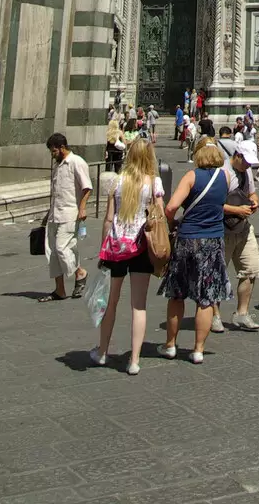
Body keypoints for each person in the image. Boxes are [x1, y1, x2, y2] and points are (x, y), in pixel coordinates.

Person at [159, 138, 241, 362]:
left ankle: (170, 345)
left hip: (188, 240)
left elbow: (171, 206)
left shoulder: (191, 176)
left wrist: (173, 221)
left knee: (177, 295)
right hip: (213, 241)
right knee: (206, 298)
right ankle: (198, 350)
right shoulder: (225, 177)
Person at [90, 138, 165, 372]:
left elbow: (108, 219)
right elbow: (160, 215)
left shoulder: (118, 182)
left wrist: (104, 246)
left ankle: (102, 351)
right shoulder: (154, 183)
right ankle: (134, 360)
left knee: (110, 302)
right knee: (138, 305)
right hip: (141, 246)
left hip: (116, 248)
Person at [40, 132, 91, 302]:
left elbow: (87, 188)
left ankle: (80, 272)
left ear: (62, 148)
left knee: (62, 248)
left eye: (54, 151)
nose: (52, 154)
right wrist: (48, 214)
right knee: (53, 253)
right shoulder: (58, 165)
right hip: (56, 214)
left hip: (70, 213)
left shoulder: (76, 162)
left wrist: (82, 208)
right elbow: (57, 193)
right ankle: (60, 290)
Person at [220, 137, 259, 331]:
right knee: (218, 273)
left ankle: (242, 313)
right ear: (236, 155)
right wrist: (236, 211)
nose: (247, 165)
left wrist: (254, 202)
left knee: (252, 268)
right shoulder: (222, 172)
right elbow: (213, 204)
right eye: (245, 160)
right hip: (223, 229)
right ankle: (213, 315)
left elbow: (252, 193)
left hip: (243, 227)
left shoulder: (247, 171)